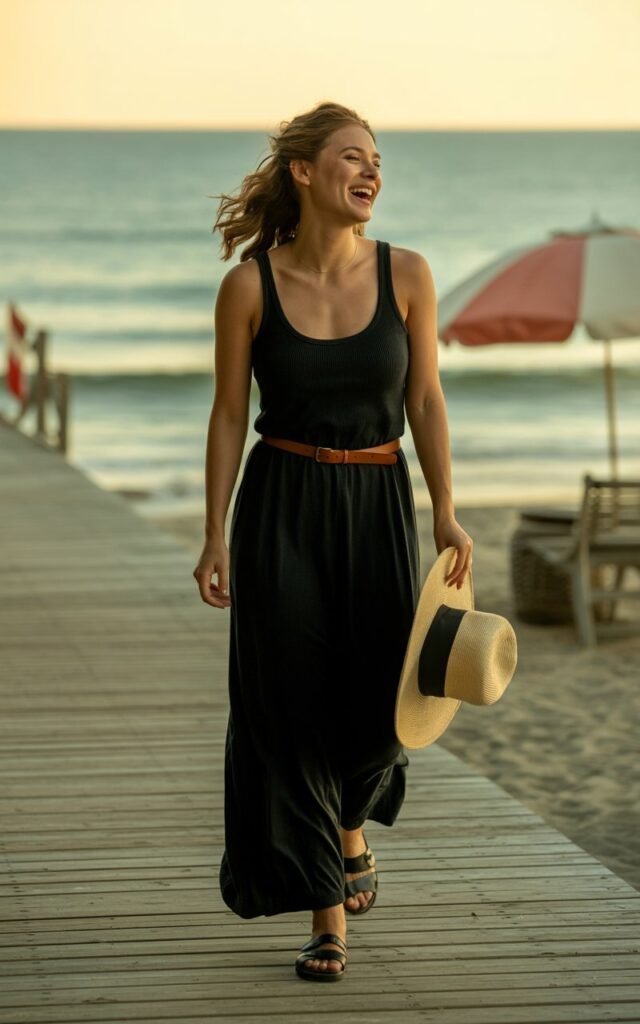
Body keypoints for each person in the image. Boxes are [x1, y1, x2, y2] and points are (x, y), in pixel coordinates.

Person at [193, 100, 473, 982]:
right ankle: (327, 917)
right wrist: (213, 532)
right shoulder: (249, 288)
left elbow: (425, 398)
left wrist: (446, 508)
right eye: (353, 156)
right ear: (305, 172)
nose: (372, 171)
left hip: (378, 498)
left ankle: (352, 825)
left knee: (382, 698)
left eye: (377, 160)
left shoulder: (408, 275)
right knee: (290, 704)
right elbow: (229, 414)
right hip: (282, 502)